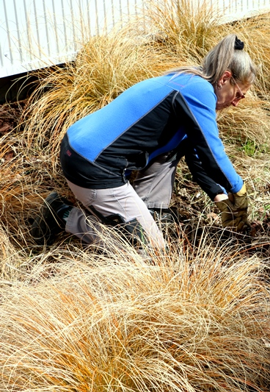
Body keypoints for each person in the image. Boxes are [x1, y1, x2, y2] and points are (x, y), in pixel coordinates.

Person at [31, 34, 255, 249]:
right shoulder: (199, 91)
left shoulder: (189, 80)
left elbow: (197, 152)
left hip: (79, 146)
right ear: (225, 78)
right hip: (93, 165)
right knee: (149, 251)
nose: (236, 103)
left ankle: (148, 212)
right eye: (238, 95)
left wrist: (221, 198)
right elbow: (213, 153)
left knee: (173, 148)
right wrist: (238, 189)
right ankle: (62, 215)